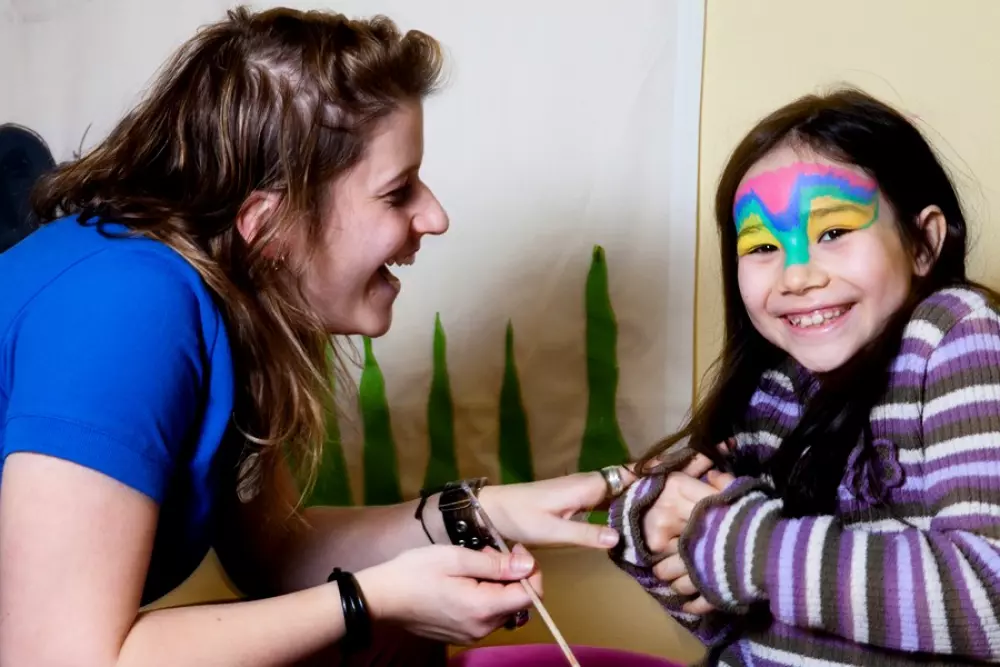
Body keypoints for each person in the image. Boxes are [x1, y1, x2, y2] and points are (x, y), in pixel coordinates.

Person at [0, 7, 626, 666]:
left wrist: (485, 513)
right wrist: (371, 600)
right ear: (270, 226)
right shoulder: (127, 309)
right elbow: (55, 658)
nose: (435, 216)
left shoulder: (242, 300)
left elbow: (273, 552)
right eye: (397, 192)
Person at [608, 88, 1000, 666]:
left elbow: (990, 601)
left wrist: (748, 548)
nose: (796, 276)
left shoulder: (954, 335)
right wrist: (654, 524)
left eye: (833, 233)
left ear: (924, 243)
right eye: (763, 245)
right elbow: (733, 623)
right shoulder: (774, 387)